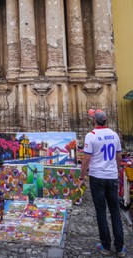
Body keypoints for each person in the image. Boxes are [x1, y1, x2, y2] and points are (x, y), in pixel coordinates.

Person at [79, 109, 127, 257]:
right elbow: (119, 157)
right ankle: (120, 248)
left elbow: (86, 159)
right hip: (111, 177)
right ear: (105, 120)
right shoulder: (114, 135)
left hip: (97, 177)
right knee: (115, 211)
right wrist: (115, 170)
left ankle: (105, 246)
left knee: (101, 211)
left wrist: (81, 178)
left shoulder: (91, 136)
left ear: (94, 121)